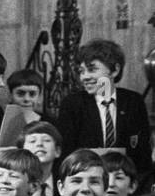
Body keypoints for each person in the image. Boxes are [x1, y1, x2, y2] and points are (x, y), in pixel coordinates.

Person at [56, 39, 152, 177]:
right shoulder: (72, 104)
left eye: (92, 69)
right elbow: (66, 154)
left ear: (114, 70)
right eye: (81, 71)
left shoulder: (133, 102)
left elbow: (143, 155)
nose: (85, 77)